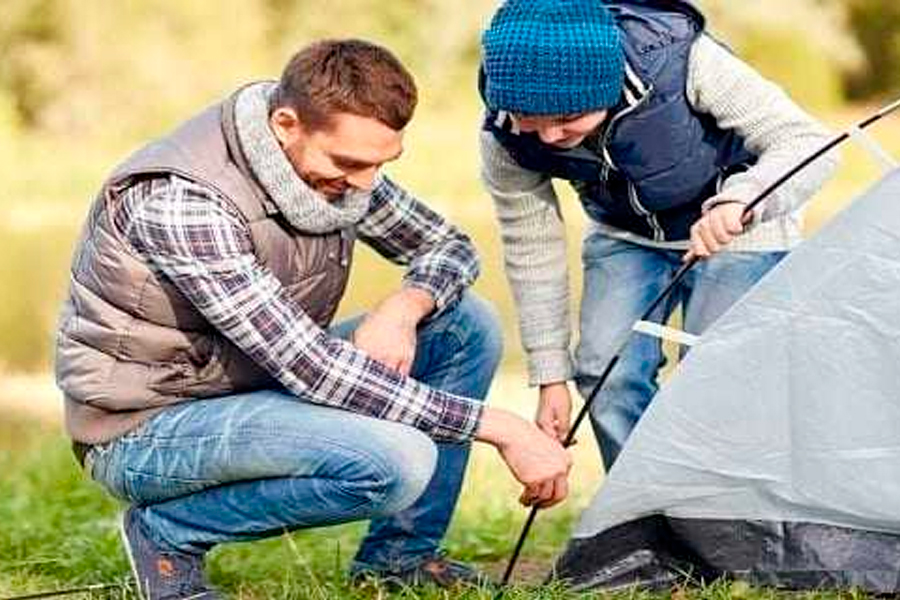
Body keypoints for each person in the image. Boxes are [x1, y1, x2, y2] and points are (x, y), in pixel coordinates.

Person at [55, 39, 571, 599]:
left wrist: (405, 306)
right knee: (397, 460)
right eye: (352, 163)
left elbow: (449, 247)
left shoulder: (333, 165)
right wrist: (503, 428)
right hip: (145, 429)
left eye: (382, 163)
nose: (367, 182)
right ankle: (166, 533)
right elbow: (312, 369)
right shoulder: (185, 202)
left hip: (247, 385)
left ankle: (399, 559)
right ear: (285, 123)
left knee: (462, 324)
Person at [478, 0, 838, 470]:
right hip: (626, 235)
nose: (548, 136)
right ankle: (643, 514)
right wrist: (549, 375)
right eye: (531, 117)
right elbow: (532, 250)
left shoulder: (679, 59)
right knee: (606, 372)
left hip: (741, 228)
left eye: (568, 118)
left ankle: (721, 518)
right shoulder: (504, 132)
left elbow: (808, 142)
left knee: (718, 379)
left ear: (605, 87)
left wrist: (742, 200)